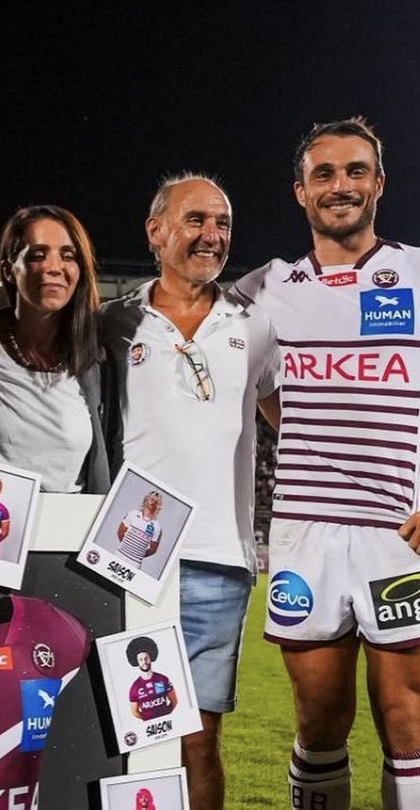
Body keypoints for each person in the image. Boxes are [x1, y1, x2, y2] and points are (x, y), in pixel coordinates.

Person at [233, 118, 420, 810]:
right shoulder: (263, 291)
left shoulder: (418, 275)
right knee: (319, 722)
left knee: (407, 721)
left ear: (379, 182)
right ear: (300, 191)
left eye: (355, 171)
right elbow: (188, 330)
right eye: (325, 174)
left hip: (397, 535)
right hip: (304, 534)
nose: (340, 185)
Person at [101, 174, 280, 810]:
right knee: (120, 732)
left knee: (199, 740)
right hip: (130, 555)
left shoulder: (254, 325)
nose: (213, 235)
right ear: (156, 231)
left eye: (223, 223)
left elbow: (294, 422)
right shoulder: (112, 324)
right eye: (197, 219)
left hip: (218, 559)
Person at [0, 205, 109, 493]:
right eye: (38, 255)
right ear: (9, 270)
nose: (54, 267)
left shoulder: (95, 360)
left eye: (68, 256)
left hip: (66, 533)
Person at [126, 636, 177, 720]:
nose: (144, 662)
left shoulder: (162, 679)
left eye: (146, 658)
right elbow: (134, 712)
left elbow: (174, 701)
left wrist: (166, 715)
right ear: (137, 662)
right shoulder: (135, 688)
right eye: (141, 659)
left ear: (151, 658)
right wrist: (148, 719)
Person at [117, 491, 164, 568]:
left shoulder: (157, 527)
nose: (153, 503)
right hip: (119, 555)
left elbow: (153, 550)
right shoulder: (133, 514)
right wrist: (127, 548)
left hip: (135, 563)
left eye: (157, 502)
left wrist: (137, 554)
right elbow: (120, 532)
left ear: (159, 506)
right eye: (152, 499)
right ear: (146, 499)